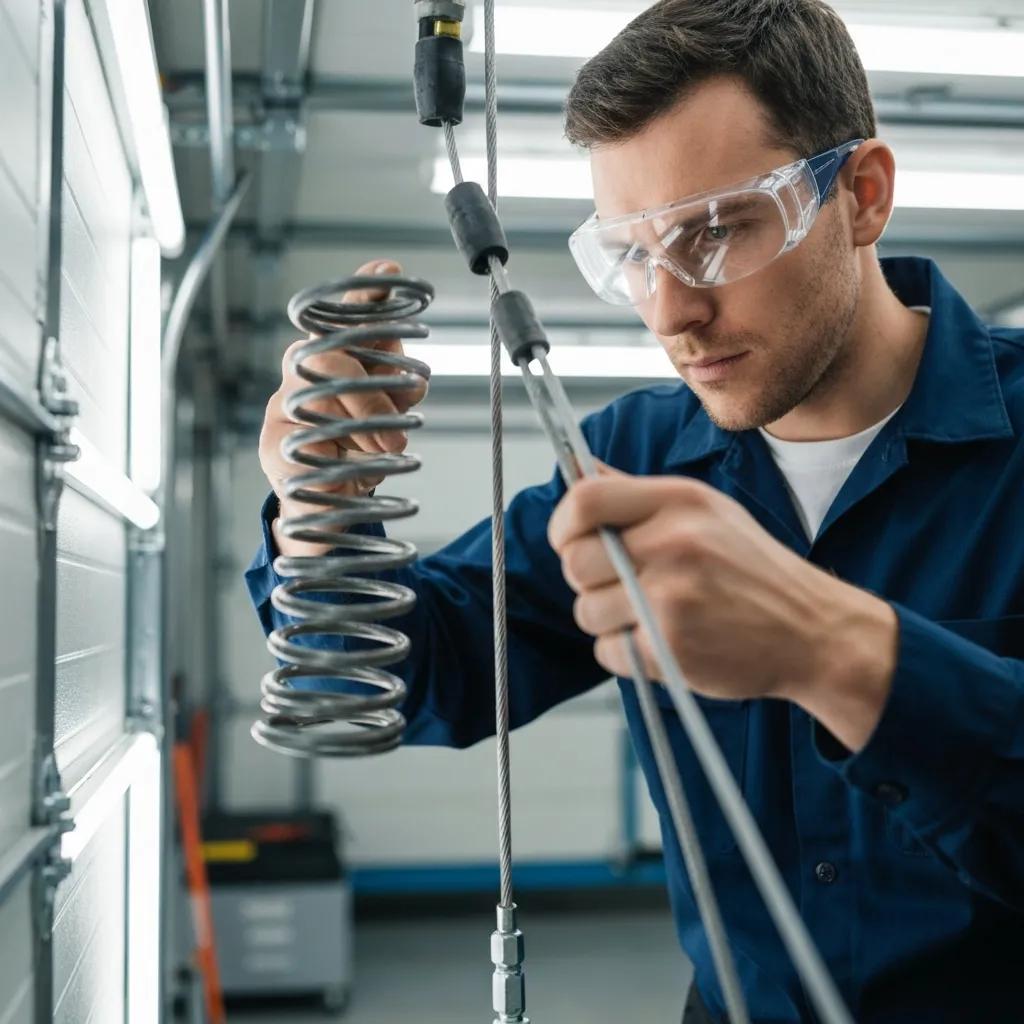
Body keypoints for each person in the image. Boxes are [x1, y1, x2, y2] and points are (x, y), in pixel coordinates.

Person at [245, 1, 1024, 1020]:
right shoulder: (632, 458)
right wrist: (321, 507)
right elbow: (420, 667)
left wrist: (843, 653)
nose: (670, 310)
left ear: (862, 195)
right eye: (634, 252)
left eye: (716, 232)